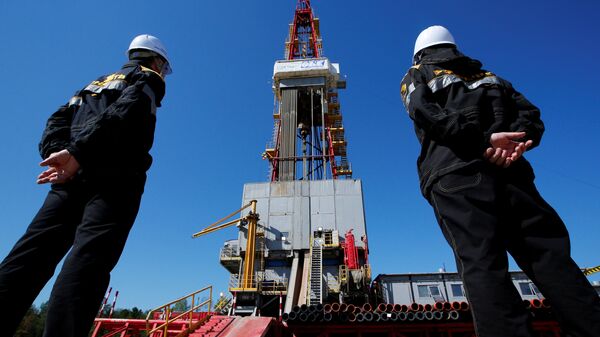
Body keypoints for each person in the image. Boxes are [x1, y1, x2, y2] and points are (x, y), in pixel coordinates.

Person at [400, 25, 600, 337]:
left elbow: (427, 113)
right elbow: (531, 116)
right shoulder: (492, 77)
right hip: (512, 172)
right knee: (549, 257)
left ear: (420, 52)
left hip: (457, 176)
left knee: (483, 264)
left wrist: (482, 142)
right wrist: (519, 142)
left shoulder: (418, 73)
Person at [0, 34, 171, 337]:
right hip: (117, 178)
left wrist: (61, 155)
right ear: (156, 61)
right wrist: (79, 153)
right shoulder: (147, 78)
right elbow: (127, 113)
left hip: (70, 177)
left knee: (30, 255)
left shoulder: (91, 85)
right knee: (88, 262)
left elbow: (56, 120)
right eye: (164, 68)